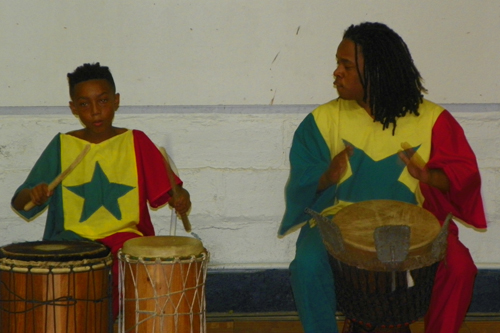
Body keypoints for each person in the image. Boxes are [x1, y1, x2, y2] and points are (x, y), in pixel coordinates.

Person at [278, 22, 487, 333]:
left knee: (459, 267)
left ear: (375, 70)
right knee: (307, 265)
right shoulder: (322, 121)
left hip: (418, 222)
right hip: (338, 223)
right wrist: (325, 176)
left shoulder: (432, 119)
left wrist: (429, 176)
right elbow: (301, 183)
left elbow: (464, 177)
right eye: (338, 64)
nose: (336, 72)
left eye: (345, 65)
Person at [11, 62, 191, 319]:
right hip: (71, 242)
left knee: (120, 274)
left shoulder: (135, 141)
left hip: (124, 240)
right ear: (73, 108)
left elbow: (176, 194)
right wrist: (33, 194)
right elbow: (20, 203)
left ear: (116, 101)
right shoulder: (63, 145)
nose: (95, 112)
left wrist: (182, 199)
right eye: (84, 104)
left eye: (103, 101)